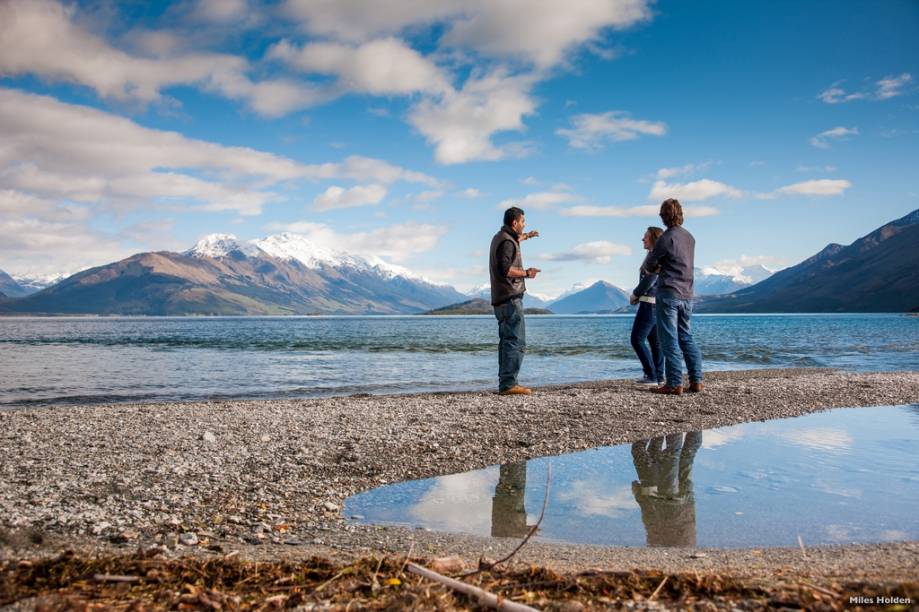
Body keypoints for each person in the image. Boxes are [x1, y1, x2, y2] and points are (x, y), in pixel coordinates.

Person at [641, 199, 704, 395]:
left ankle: (675, 383)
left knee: (669, 339)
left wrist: (658, 266)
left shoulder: (666, 238)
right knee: (686, 337)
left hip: (669, 292)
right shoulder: (690, 238)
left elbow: (649, 265)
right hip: (687, 293)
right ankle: (696, 381)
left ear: (664, 216)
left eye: (661, 214)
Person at [489, 206, 540, 395]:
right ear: (514, 223)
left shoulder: (500, 237)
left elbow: (515, 240)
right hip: (510, 297)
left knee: (506, 341)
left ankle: (506, 383)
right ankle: (509, 384)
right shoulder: (507, 242)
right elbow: (506, 269)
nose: (524, 224)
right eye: (523, 222)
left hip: (500, 298)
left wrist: (528, 236)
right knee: (516, 341)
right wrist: (527, 273)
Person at [629, 226, 665, 386]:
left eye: (645, 237)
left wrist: (635, 295)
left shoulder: (654, 258)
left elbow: (650, 280)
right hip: (656, 304)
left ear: (653, 239)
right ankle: (659, 376)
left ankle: (651, 375)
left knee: (636, 339)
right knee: (655, 343)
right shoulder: (656, 256)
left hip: (649, 305)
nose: (642, 239)